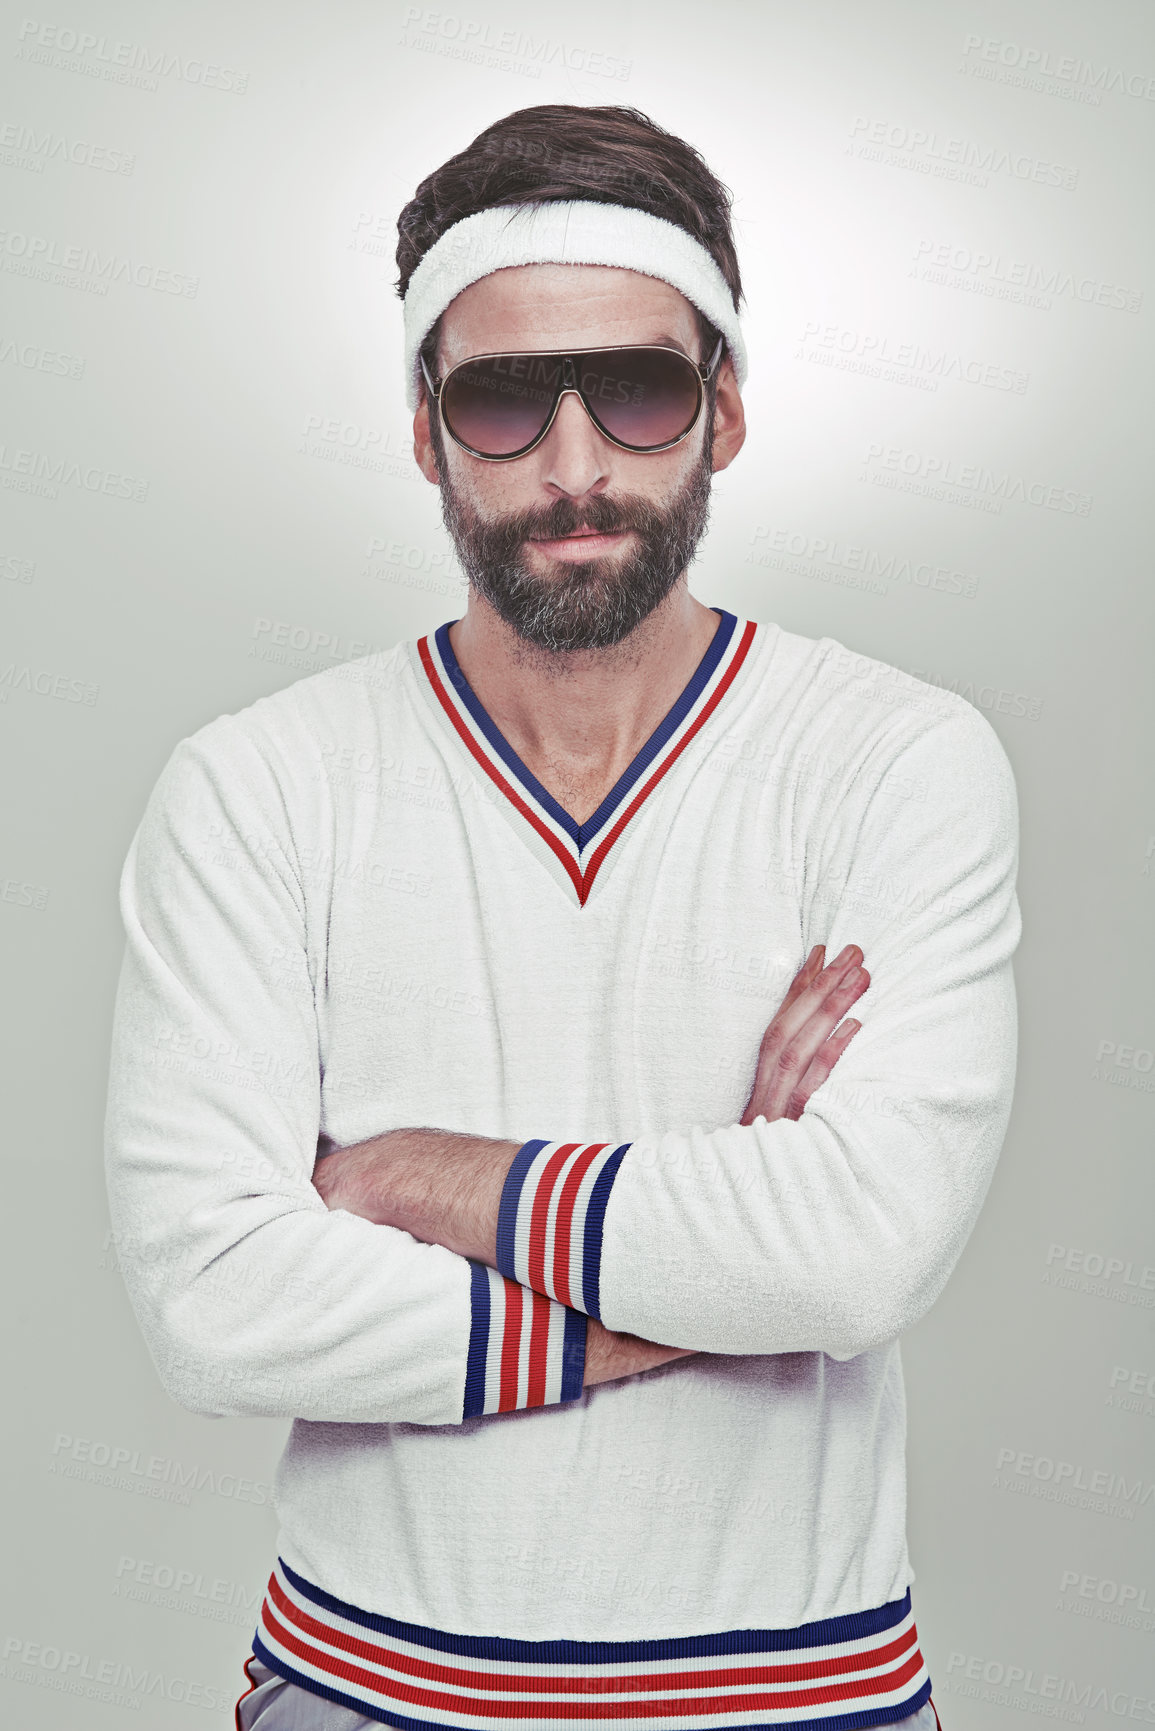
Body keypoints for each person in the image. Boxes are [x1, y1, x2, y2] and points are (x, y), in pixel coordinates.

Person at [104, 105, 1020, 1731]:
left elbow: (859, 1249)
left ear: (726, 411)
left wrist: (411, 1180)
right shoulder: (258, 788)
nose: (577, 464)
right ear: (423, 430)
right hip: (366, 1695)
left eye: (642, 389)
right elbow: (213, 1302)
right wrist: (713, 1275)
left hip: (798, 1701)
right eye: (505, 399)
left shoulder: (898, 759)